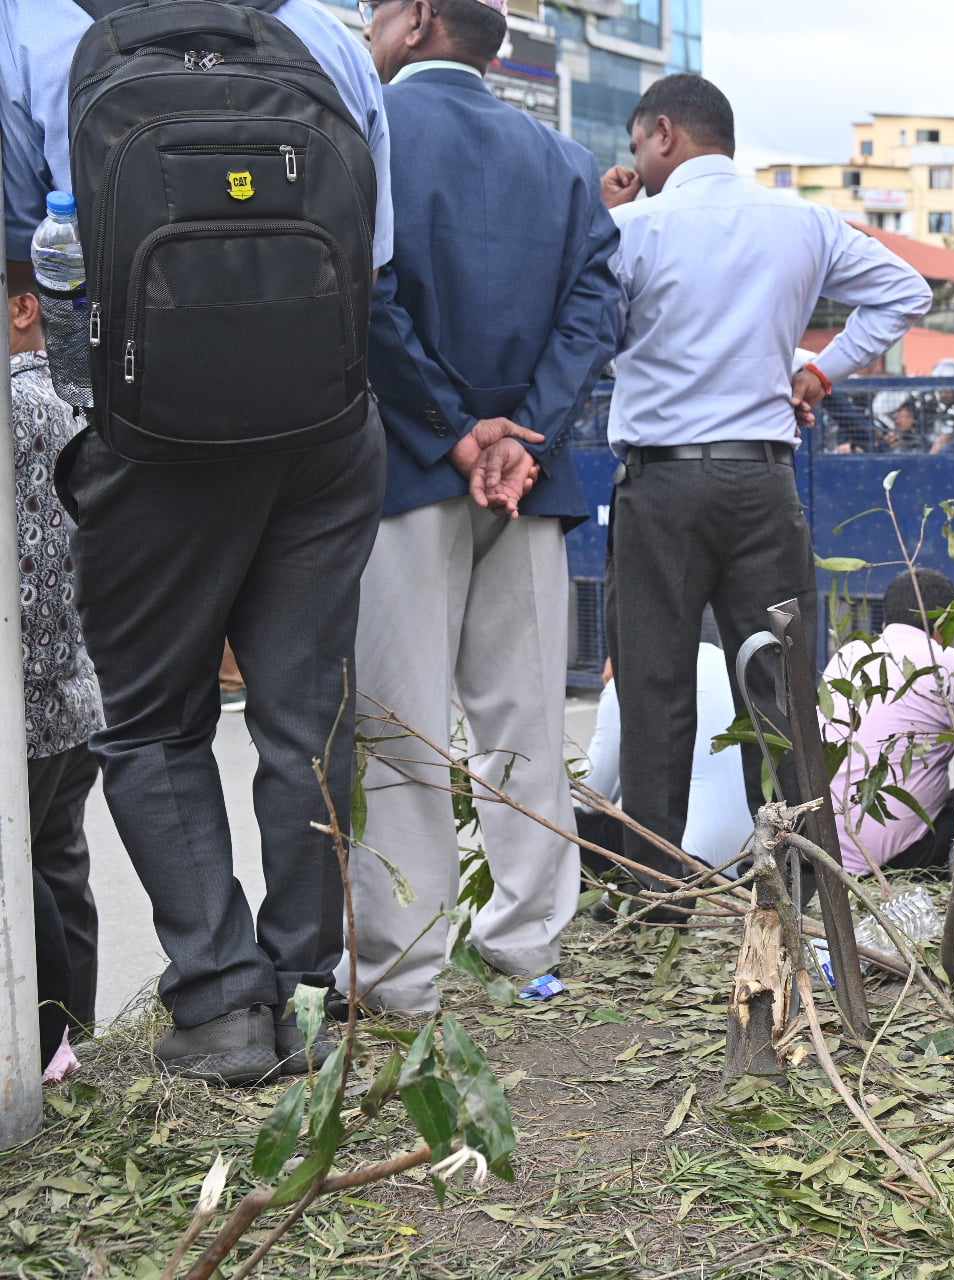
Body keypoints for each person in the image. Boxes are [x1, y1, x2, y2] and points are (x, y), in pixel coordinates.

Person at [3, 0, 394, 1084]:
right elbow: (379, 250)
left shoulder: (32, 29)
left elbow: (21, 258)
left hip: (147, 430)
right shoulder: (324, 36)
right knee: (305, 717)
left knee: (150, 719)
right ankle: (311, 995)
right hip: (323, 425)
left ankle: (223, 1006)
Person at [342, 0, 621, 1012]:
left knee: (400, 726)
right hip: (531, 481)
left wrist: (455, 429)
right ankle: (525, 944)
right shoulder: (562, 160)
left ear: (415, 21)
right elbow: (598, 300)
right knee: (526, 723)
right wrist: (522, 429)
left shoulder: (365, 136)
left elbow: (366, 296)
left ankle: (403, 970)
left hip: (404, 471)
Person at [599, 74, 931, 903]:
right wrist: (821, 370)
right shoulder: (804, 222)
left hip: (663, 482)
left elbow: (590, 329)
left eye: (639, 145)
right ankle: (792, 879)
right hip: (759, 479)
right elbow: (905, 293)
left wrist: (596, 215)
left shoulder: (631, 227)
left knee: (655, 684)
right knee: (779, 685)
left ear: (664, 133)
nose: (637, 161)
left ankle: (655, 885)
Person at [9, 261, 102, 1068]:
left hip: (27, 701)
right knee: (61, 862)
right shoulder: (78, 396)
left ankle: (44, 1046)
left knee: (28, 872)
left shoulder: (18, 405)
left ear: (22, 308)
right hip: (76, 690)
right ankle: (76, 1034)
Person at [577, 615, 756, 884]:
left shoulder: (634, 676)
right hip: (746, 863)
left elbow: (589, 793)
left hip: (679, 863)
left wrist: (610, 691)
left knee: (569, 825)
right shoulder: (732, 670)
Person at [822, 571, 954, 876]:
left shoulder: (848, 655)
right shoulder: (951, 666)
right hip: (901, 862)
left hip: (827, 853)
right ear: (945, 622)